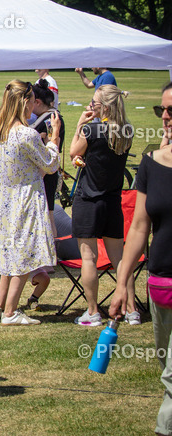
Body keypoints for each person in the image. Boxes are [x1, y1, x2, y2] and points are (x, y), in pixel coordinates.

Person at [111, 82, 172, 436]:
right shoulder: (152, 163)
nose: (165, 117)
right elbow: (139, 227)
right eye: (161, 110)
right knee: (166, 370)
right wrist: (122, 283)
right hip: (161, 285)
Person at [0, 80, 61, 325]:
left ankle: (1, 305)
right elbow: (50, 165)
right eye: (31, 101)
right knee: (25, 253)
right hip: (25, 197)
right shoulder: (25, 133)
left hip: (5, 197)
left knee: (10, 254)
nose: (33, 105)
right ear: (24, 102)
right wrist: (54, 138)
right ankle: (10, 312)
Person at [69, 84, 137, 326]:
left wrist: (80, 124)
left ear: (105, 106)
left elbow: (73, 151)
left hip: (89, 199)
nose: (90, 106)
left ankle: (92, 311)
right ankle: (131, 309)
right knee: (120, 260)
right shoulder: (126, 130)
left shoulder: (92, 129)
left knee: (89, 258)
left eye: (94, 103)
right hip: (112, 200)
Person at [23, 80, 65, 310]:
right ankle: (48, 258)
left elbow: (46, 143)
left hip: (45, 173)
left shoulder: (49, 119)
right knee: (47, 213)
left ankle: (48, 259)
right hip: (48, 171)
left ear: (37, 102)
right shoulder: (52, 116)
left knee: (47, 214)